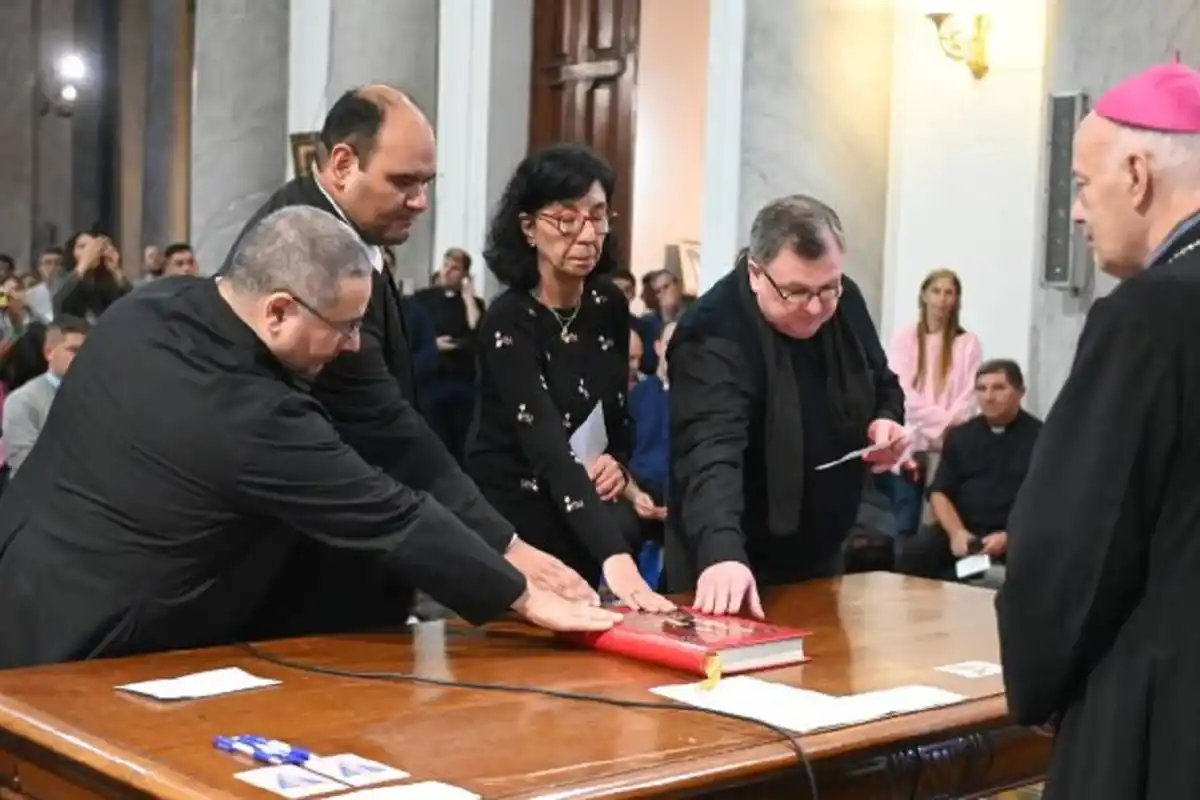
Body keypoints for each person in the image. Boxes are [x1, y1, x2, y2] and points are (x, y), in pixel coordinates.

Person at [0, 207, 619, 670]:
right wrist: (525, 596)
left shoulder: (150, 306)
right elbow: (389, 513)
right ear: (277, 310)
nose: (352, 347)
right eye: (345, 327)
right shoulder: (250, 414)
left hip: (22, 580)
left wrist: (507, 547)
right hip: (95, 645)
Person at [225, 86, 595, 634]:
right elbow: (385, 426)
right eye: (403, 182)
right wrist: (506, 549)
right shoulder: (305, 247)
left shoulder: (347, 232)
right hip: (306, 571)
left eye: (427, 183)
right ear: (343, 164)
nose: (420, 201)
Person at [996, 62, 1200, 800]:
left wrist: (1039, 681)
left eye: (1083, 185)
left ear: (1137, 175)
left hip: (1161, 715)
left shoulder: (1149, 316)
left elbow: (1072, 540)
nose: (1078, 213)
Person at [666, 195, 906, 615]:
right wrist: (723, 552)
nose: (814, 308)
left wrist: (885, 421)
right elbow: (709, 452)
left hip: (823, 549)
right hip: (734, 557)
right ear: (756, 273)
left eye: (827, 288)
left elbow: (882, 381)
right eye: (795, 292)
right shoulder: (712, 331)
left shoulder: (844, 300)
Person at [467, 143, 673, 611]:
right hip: (516, 520)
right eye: (566, 220)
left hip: (583, 511)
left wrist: (617, 465)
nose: (586, 235)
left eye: (597, 217)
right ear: (528, 227)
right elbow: (547, 447)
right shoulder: (509, 319)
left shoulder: (607, 304)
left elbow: (616, 418)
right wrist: (616, 557)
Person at [895, 359, 1040, 580]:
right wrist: (957, 533)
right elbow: (939, 492)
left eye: (999, 388)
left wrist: (1011, 536)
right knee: (916, 552)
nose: (988, 397)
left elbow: (1049, 502)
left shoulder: (1042, 438)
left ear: (1020, 392)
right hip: (966, 532)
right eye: (981, 389)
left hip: (1018, 534)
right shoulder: (960, 436)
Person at [883, 269, 981, 538]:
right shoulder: (904, 338)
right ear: (924, 295)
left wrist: (949, 428)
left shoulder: (967, 343)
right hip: (909, 443)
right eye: (936, 291)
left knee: (934, 528)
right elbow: (902, 390)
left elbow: (969, 395)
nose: (942, 299)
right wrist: (941, 424)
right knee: (904, 523)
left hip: (948, 446)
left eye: (949, 292)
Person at [1, 315, 89, 475]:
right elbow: (23, 461)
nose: (82, 358)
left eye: (87, 352)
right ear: (49, 351)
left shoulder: (96, 394)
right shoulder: (23, 401)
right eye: (74, 350)